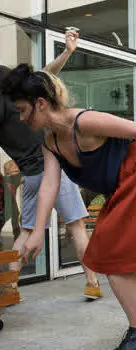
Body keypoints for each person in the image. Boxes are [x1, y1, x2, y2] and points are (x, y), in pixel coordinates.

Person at [0, 63, 136, 349]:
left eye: (22, 110)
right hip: (120, 190)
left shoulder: (85, 122)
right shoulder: (50, 141)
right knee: (109, 252)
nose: (20, 118)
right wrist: (34, 233)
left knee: (111, 256)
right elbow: (49, 185)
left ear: (40, 104)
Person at [0, 30, 102, 299]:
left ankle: (10, 287)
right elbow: (45, 75)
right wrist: (67, 52)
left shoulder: (9, 108)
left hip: (31, 177)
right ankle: (92, 283)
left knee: (27, 232)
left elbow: (44, 75)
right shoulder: (22, 103)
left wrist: (67, 53)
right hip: (52, 169)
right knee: (77, 226)